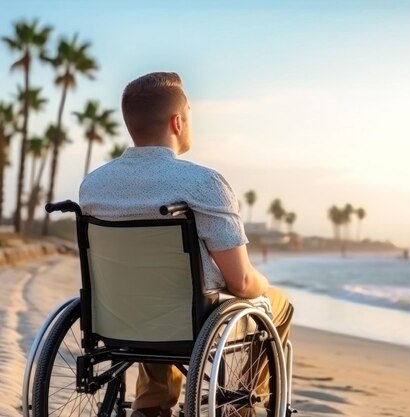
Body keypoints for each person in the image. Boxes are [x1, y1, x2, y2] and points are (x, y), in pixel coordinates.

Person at [79, 72, 294, 417]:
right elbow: (240, 282)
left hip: (118, 314)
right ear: (177, 122)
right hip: (188, 316)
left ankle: (151, 407)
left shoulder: (94, 185)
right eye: (190, 113)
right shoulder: (203, 183)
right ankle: (243, 407)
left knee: (152, 296)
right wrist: (263, 284)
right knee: (278, 305)